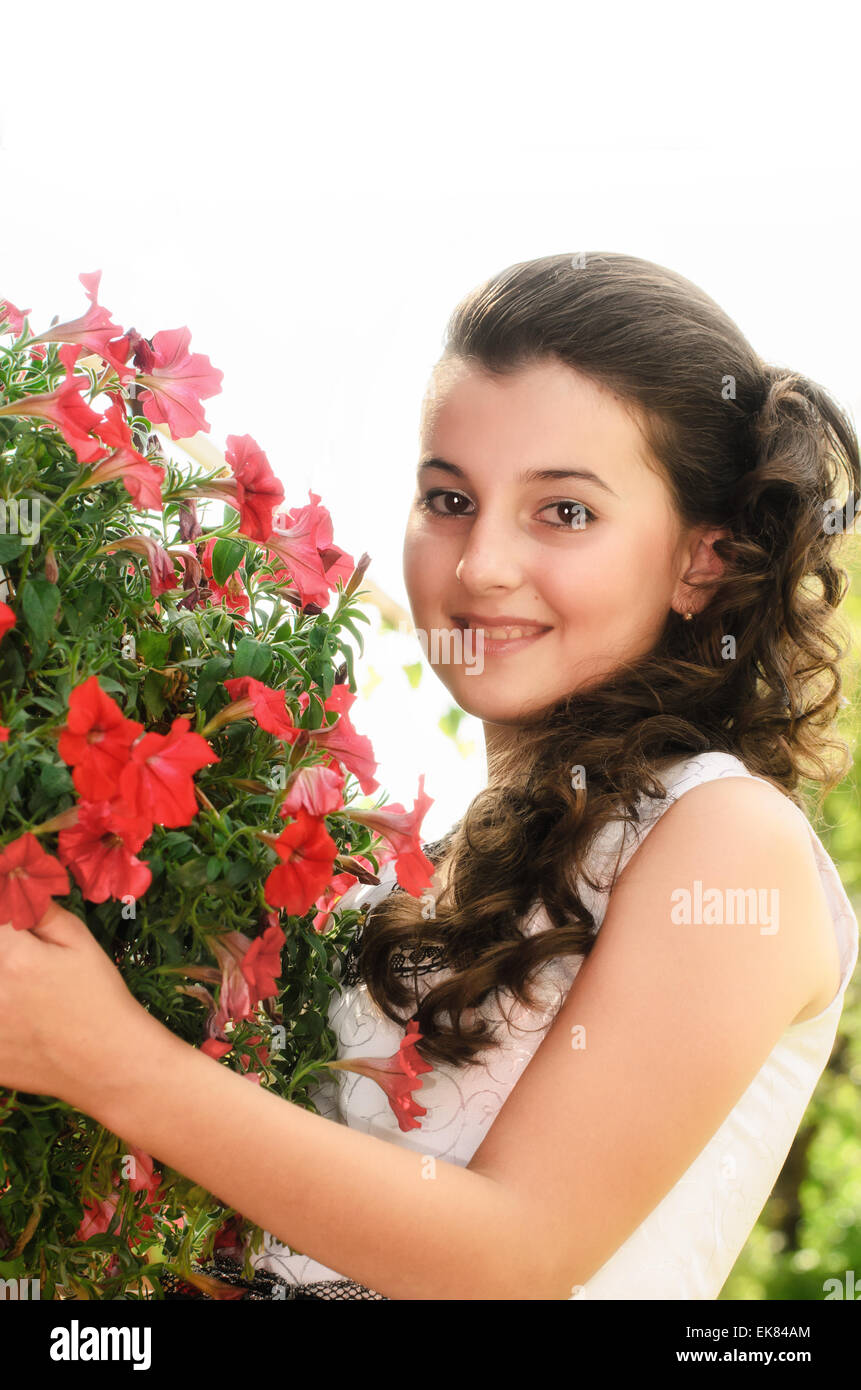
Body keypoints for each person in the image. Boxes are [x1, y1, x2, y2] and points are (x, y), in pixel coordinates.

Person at [0, 251, 858, 1301]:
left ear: (702, 560)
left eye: (565, 511)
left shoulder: (726, 838)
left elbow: (516, 1256)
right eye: (449, 496)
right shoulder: (415, 870)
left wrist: (110, 1060)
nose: (481, 561)